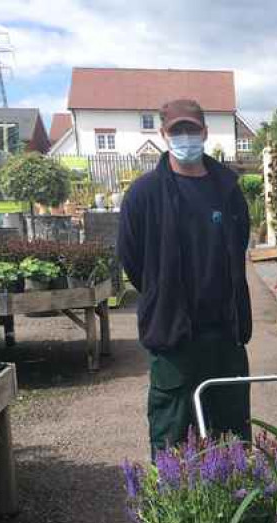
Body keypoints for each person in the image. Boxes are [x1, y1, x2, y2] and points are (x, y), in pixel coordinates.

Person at [117, 98, 253, 455]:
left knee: (233, 441)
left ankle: (237, 509)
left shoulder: (227, 190)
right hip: (174, 339)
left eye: (192, 129)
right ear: (164, 135)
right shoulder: (145, 194)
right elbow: (132, 261)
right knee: (173, 442)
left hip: (225, 337)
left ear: (205, 132)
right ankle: (176, 508)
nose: (186, 137)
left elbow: (238, 248)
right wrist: (164, 296)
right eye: (177, 131)